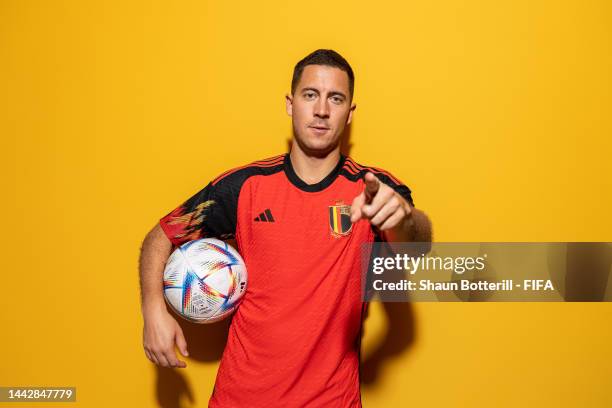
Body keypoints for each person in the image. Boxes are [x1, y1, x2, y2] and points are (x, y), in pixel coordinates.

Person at [139, 49, 432, 407]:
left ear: (350, 112)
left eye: (335, 98)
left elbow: (416, 243)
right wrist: (154, 307)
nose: (322, 109)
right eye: (311, 95)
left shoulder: (373, 190)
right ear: (291, 104)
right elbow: (162, 235)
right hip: (239, 399)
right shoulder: (246, 187)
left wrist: (401, 217)